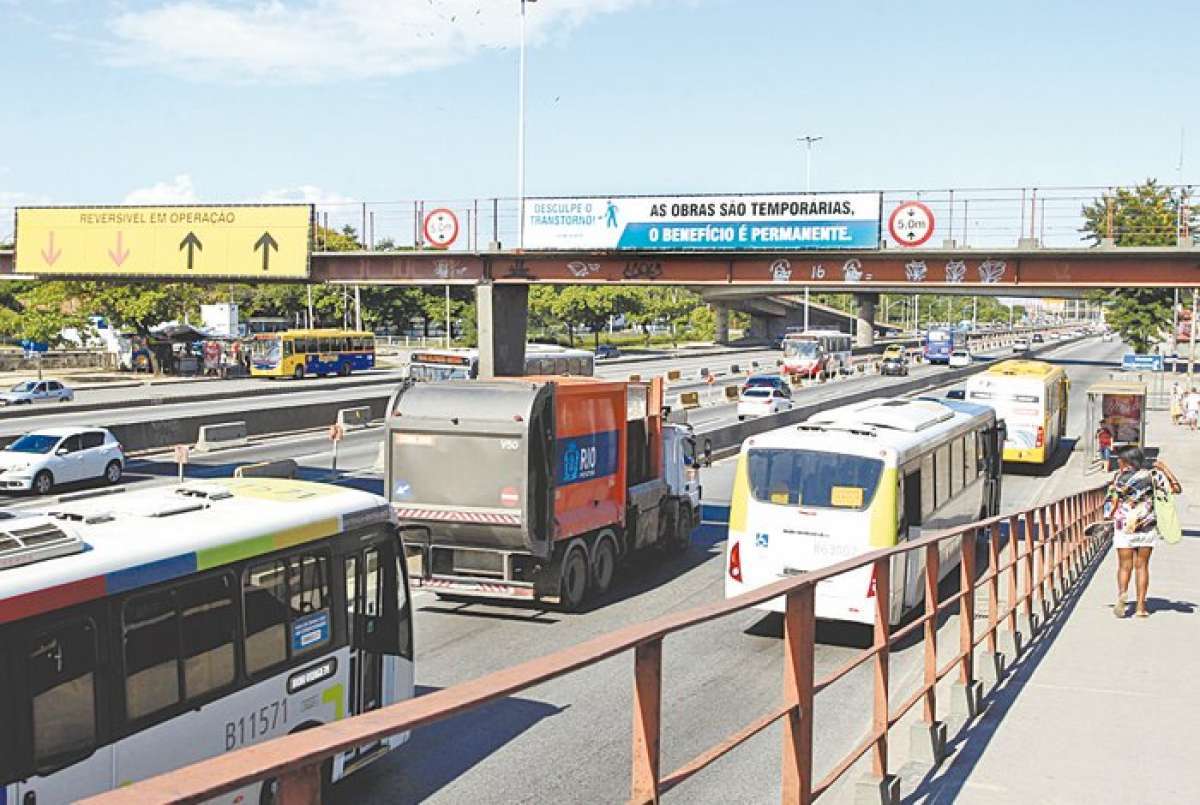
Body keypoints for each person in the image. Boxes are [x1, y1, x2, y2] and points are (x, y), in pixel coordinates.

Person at [1104, 446, 1182, 618]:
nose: (1118, 461)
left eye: (1120, 459)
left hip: (1124, 526)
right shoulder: (1152, 476)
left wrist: (1107, 517)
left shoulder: (1118, 478)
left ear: (1126, 461)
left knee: (1125, 565)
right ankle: (1140, 607)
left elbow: (1111, 503)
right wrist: (1164, 469)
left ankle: (1122, 595)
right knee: (1142, 566)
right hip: (1146, 526)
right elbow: (1176, 489)